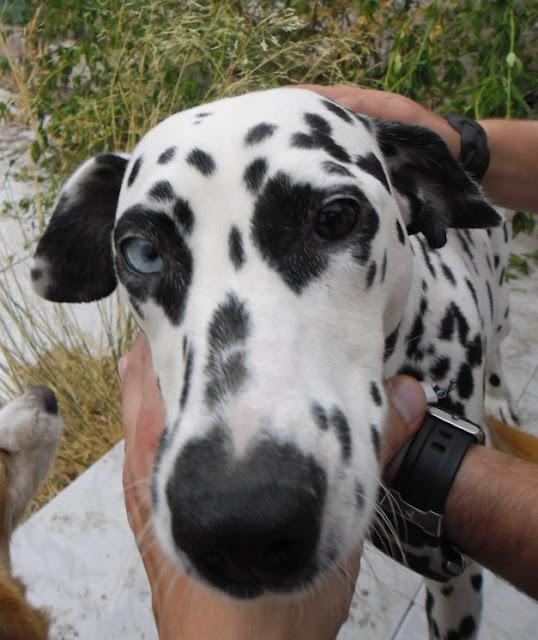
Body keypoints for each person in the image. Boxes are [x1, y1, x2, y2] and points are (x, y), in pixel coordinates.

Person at [120, 87, 538, 639]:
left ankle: (492, 375)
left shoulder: (455, 302)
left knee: (498, 319)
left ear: (411, 197)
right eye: (147, 252)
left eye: (335, 217)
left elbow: (457, 573)